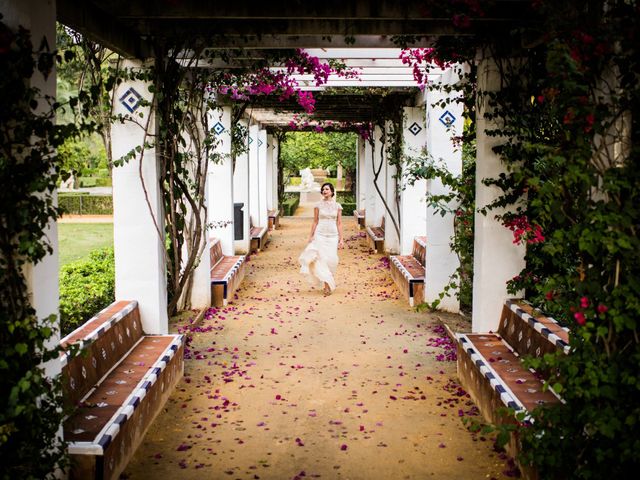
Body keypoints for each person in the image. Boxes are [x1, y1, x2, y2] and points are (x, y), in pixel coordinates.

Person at [298, 182, 344, 295]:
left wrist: (341, 239)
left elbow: (339, 223)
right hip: (320, 234)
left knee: (332, 259)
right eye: (323, 189)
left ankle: (328, 281)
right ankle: (326, 285)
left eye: (327, 189)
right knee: (322, 259)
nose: (324, 191)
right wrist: (311, 236)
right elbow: (315, 221)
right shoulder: (318, 205)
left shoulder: (338, 206)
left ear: (332, 191)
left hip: (333, 235)